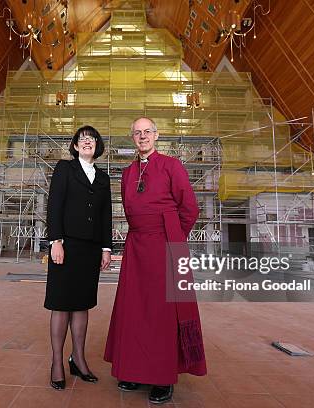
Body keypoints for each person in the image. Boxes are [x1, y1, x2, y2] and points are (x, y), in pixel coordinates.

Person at [104, 117, 207, 404]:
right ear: (133, 138)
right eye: (137, 133)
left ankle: (163, 377)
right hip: (137, 245)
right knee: (134, 309)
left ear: (156, 136)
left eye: (147, 131)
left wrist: (172, 237)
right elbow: (128, 208)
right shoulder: (127, 173)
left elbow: (189, 208)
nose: (142, 136)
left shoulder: (172, 166)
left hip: (166, 244)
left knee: (163, 313)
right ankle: (134, 370)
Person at [44, 125, 113, 390]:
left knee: (82, 304)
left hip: (90, 249)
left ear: (97, 146)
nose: (87, 141)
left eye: (92, 138)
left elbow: (106, 215)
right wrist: (56, 241)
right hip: (66, 245)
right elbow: (54, 205)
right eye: (82, 139)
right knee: (61, 304)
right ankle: (57, 362)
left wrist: (106, 248)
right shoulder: (64, 169)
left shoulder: (104, 178)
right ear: (75, 146)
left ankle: (79, 359)